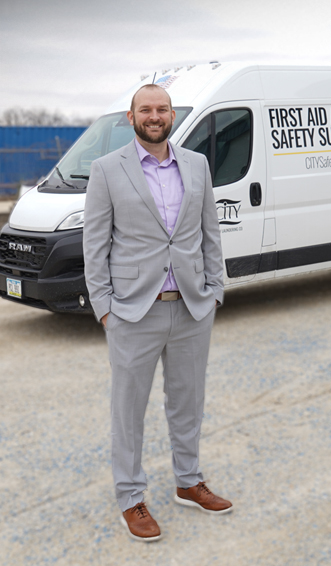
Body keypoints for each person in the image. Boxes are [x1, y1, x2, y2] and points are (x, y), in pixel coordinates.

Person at [83, 82, 232, 542]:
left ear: (172, 115)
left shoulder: (197, 165)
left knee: (188, 404)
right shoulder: (107, 170)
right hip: (133, 312)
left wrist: (215, 291)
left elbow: (210, 232)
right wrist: (106, 308)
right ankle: (131, 497)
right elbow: (96, 246)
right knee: (129, 410)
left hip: (190, 307)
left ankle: (189, 481)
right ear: (132, 117)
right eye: (145, 109)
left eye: (162, 109)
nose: (154, 115)